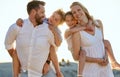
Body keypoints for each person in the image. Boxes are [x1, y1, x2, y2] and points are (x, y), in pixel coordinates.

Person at [4, 1, 62, 77]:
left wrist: (48, 62)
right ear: (33, 12)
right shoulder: (17, 27)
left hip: (45, 73)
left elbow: (54, 47)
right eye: (42, 12)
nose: (45, 15)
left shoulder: (48, 29)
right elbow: (8, 44)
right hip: (25, 73)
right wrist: (18, 61)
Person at [64, 11, 120, 76]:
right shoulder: (68, 31)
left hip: (81, 48)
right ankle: (80, 74)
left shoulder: (78, 27)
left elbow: (91, 19)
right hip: (74, 51)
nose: (70, 22)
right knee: (82, 54)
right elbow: (73, 30)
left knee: (106, 42)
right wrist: (86, 27)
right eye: (67, 21)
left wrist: (89, 22)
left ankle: (113, 61)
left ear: (76, 20)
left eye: (72, 20)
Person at [15, 9, 65, 77]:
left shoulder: (56, 29)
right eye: (53, 16)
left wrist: (54, 30)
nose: (53, 19)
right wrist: (20, 20)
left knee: (52, 49)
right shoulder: (44, 20)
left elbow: (58, 43)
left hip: (49, 53)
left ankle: (58, 72)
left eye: (56, 20)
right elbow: (31, 20)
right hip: (40, 50)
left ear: (58, 24)